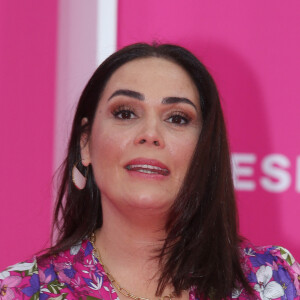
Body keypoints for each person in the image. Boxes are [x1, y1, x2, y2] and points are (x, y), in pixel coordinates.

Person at [0, 43, 299, 300]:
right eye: (126, 113)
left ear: (205, 152)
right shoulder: (22, 291)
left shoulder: (272, 281)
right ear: (86, 144)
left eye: (178, 118)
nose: (150, 133)